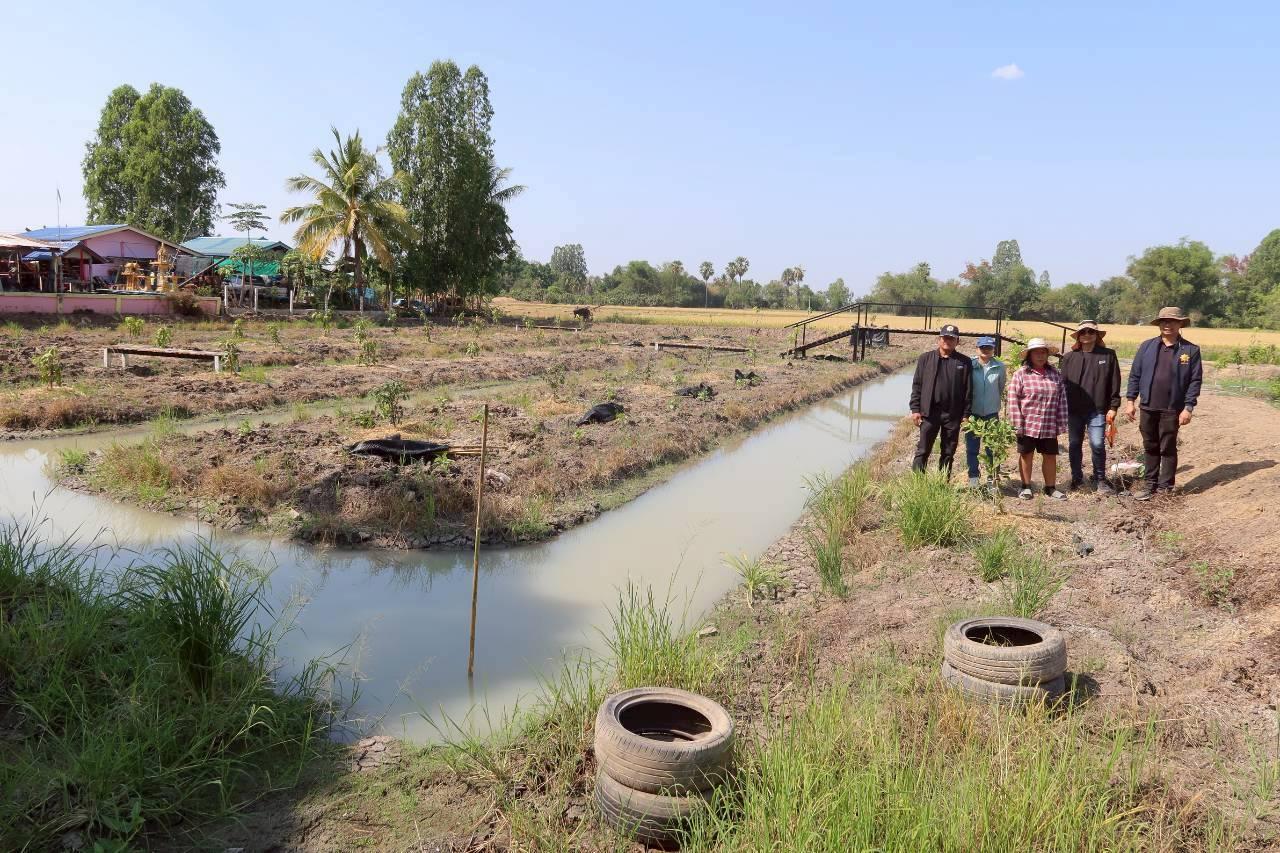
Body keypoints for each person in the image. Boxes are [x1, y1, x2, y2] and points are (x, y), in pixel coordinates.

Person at [1124, 306, 1203, 500]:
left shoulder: (1190, 350)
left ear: (1179, 324)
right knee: (1150, 445)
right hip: (1148, 405)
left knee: (1167, 447)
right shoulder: (1147, 346)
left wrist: (1188, 407)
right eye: (1164, 321)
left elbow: (1195, 381)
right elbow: (1135, 375)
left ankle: (1165, 487)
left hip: (1172, 408)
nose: (1167, 325)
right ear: (1159, 324)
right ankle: (1150, 483)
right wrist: (1130, 401)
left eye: (1172, 321)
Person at [1059, 321, 1122, 494]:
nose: (1087, 334)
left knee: (1097, 444)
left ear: (1097, 335)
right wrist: (1060, 408)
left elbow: (1114, 382)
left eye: (1091, 331)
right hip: (1074, 410)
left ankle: (1100, 479)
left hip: (1098, 409)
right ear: (1078, 336)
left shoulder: (1108, 355)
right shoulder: (1069, 357)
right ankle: (1077, 479)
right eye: (1083, 332)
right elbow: (1062, 384)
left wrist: (1114, 406)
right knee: (1074, 444)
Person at [1007, 337, 1069, 500]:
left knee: (1050, 455)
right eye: (1037, 353)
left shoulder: (1055, 374)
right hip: (1027, 423)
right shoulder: (1021, 374)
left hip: (1049, 424)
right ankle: (1026, 487)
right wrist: (1017, 423)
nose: (1041, 356)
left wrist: (1061, 423)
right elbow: (1013, 399)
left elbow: (1062, 399)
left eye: (1043, 353)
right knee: (1026, 454)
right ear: (1029, 355)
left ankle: (1050, 488)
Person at [909, 324, 973, 475]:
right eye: (945, 338)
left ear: (958, 341)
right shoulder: (925, 358)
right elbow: (917, 385)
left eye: (952, 339)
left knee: (948, 451)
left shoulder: (964, 362)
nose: (948, 341)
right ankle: (917, 482)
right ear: (939, 339)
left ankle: (943, 482)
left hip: (953, 414)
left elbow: (969, 390)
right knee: (923, 449)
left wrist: (966, 414)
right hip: (929, 413)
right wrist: (915, 409)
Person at [965, 336, 1005, 488]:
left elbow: (1000, 388)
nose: (986, 350)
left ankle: (992, 479)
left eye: (989, 348)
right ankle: (973, 478)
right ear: (977, 348)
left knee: (992, 448)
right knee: (972, 448)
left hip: (991, 414)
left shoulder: (1000, 366)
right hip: (973, 414)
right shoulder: (970, 364)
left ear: (993, 349)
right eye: (983, 348)